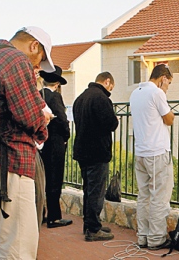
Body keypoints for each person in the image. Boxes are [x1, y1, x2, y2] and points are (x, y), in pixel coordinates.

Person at [0, 26, 55, 259]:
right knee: (17, 247)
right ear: (34, 45)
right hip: (10, 165)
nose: (38, 66)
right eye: (40, 58)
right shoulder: (15, 59)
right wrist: (43, 122)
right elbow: (29, 116)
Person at [129, 64, 175, 250]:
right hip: (157, 152)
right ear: (163, 78)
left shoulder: (135, 93)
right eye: (168, 82)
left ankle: (143, 236)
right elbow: (169, 119)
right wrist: (163, 93)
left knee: (144, 196)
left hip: (140, 151)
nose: (168, 86)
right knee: (159, 197)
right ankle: (156, 238)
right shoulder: (157, 93)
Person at [73, 72, 119, 242]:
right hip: (97, 152)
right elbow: (111, 123)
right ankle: (93, 229)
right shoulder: (101, 98)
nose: (110, 91)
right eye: (111, 87)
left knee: (88, 189)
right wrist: (115, 119)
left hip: (82, 151)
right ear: (107, 81)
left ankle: (90, 223)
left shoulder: (81, 98)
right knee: (96, 192)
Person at [39, 65, 72, 228]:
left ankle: (41, 213)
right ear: (57, 83)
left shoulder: (38, 95)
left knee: (42, 180)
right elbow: (61, 119)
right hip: (55, 143)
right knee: (55, 180)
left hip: (41, 143)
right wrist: (66, 136)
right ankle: (54, 216)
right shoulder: (55, 98)